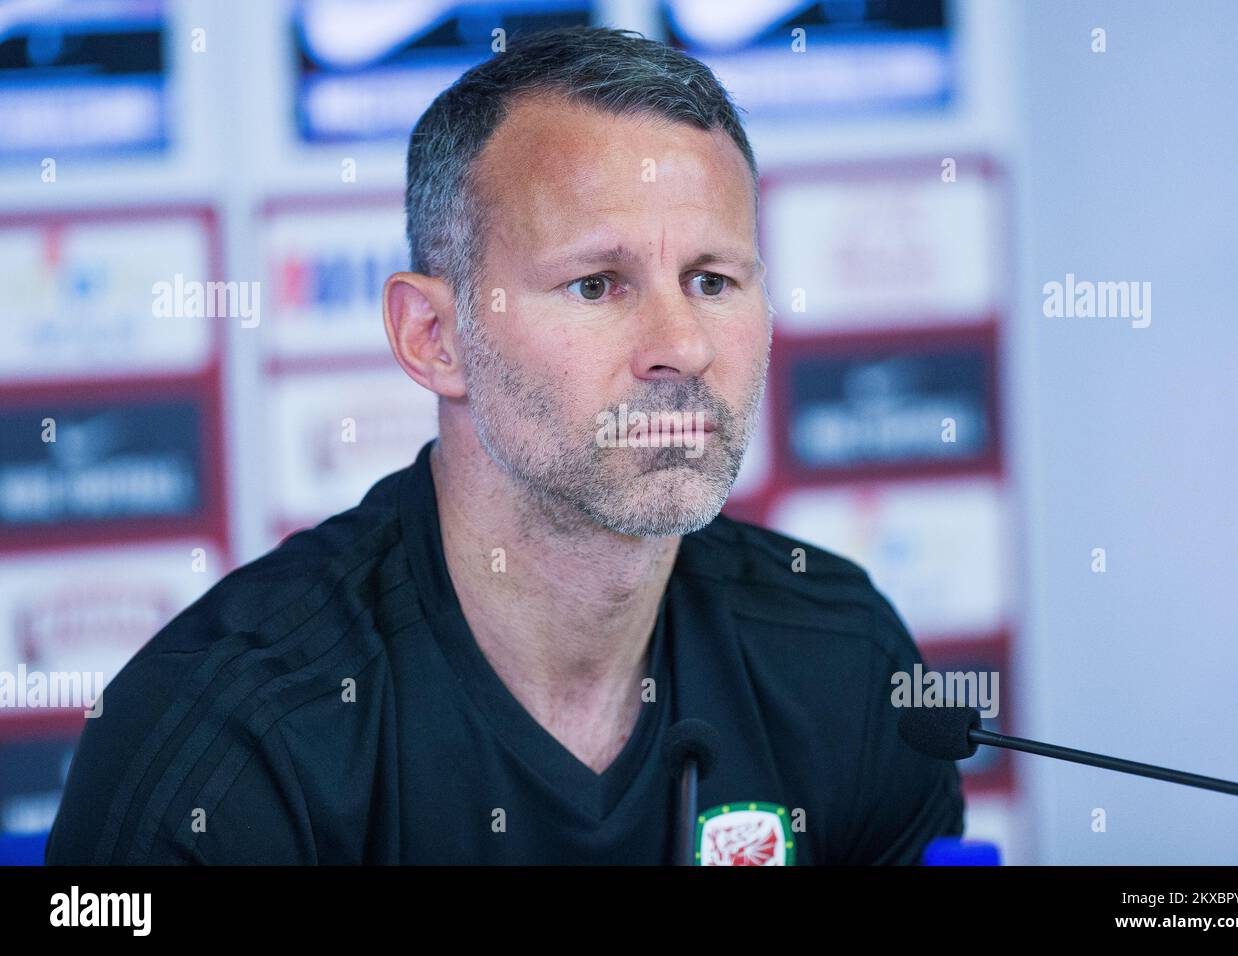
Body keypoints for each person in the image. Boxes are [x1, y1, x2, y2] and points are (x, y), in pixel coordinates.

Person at [45, 25, 963, 865]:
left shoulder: (844, 658)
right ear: (433, 338)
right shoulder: (226, 739)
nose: (682, 346)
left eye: (712, 280)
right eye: (598, 285)